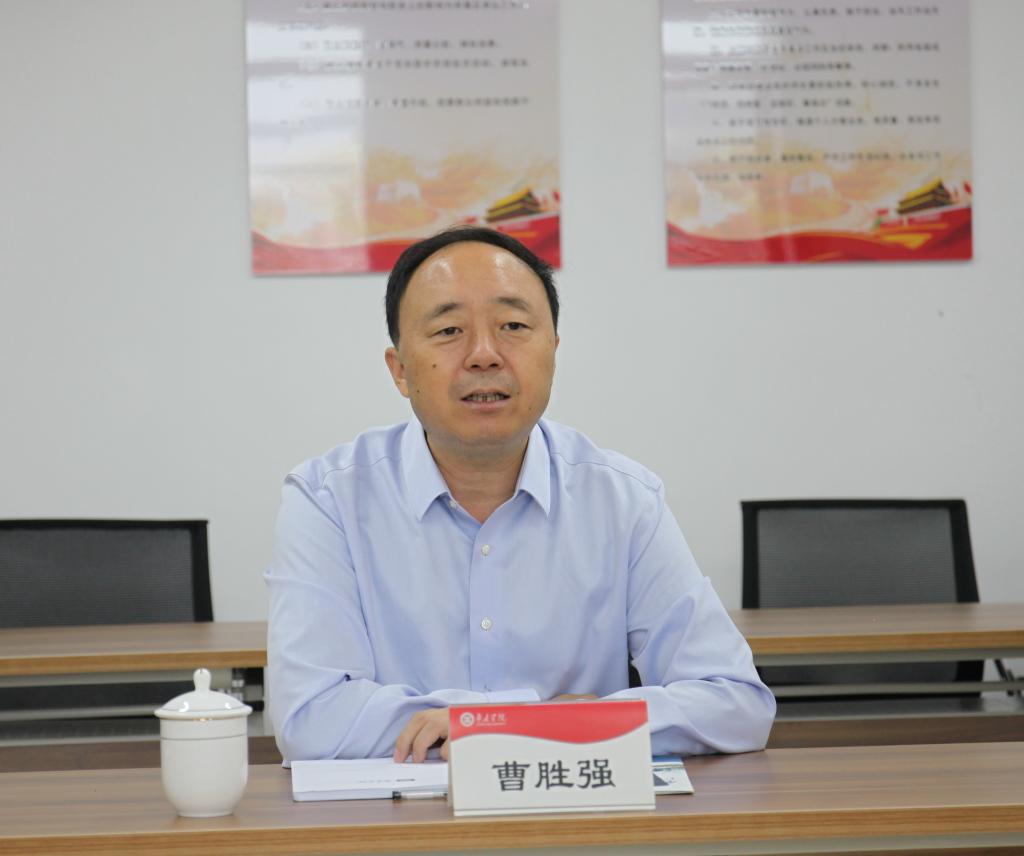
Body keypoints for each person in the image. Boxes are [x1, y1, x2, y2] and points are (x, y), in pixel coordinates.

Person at [265, 227, 775, 764]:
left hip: (571, 812)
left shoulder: (624, 500)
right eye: (449, 330)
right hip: (397, 814)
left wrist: (495, 725)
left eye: (512, 326)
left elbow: (736, 703)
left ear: (553, 352)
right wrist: (535, 721)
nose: (484, 355)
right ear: (400, 371)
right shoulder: (328, 501)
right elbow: (311, 721)